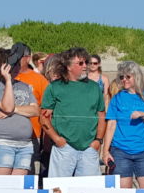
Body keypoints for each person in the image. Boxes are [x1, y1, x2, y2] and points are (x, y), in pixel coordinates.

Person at [101, 61, 144, 193]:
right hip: (120, 151)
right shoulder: (117, 98)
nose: (124, 80)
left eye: (128, 76)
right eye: (121, 77)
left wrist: (143, 115)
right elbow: (111, 125)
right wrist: (105, 150)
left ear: (136, 77)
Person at [41, 48, 105, 177]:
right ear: (68, 66)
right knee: (58, 191)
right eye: (80, 63)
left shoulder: (94, 87)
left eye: (86, 62)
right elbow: (43, 118)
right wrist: (57, 139)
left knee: (89, 192)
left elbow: (101, 116)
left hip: (89, 148)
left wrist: (98, 140)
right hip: (64, 148)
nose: (85, 66)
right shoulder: (55, 87)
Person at [0, 48, 38, 175]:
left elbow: (36, 110)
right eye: (13, 65)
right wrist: (8, 80)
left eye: (17, 64)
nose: (16, 68)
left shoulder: (24, 86)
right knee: (2, 188)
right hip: (1, 143)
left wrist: (15, 110)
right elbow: (7, 106)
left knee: (18, 188)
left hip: (24, 145)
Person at [13, 42, 49, 173]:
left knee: (29, 171)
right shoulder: (6, 76)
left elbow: (47, 108)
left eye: (19, 56)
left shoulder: (39, 80)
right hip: (8, 134)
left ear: (28, 58)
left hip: (32, 133)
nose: (15, 59)